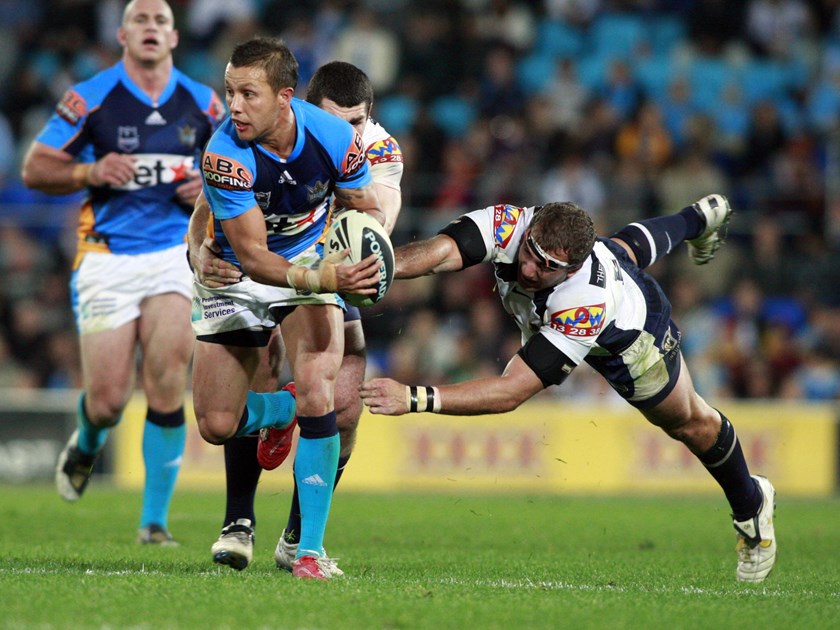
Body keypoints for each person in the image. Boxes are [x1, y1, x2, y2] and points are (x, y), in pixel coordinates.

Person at [360, 194, 778, 583]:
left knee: (690, 424)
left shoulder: (583, 299)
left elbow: (511, 391)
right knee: (623, 248)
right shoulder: (513, 225)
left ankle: (751, 503)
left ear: (573, 268)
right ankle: (697, 218)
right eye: (531, 253)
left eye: (545, 267)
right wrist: (377, 266)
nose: (528, 269)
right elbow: (441, 252)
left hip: (630, 339)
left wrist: (415, 398)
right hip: (599, 272)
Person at [20, 0, 225, 545]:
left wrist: (208, 185)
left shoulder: (205, 103)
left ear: (175, 37)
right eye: (141, 20)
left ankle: (153, 522)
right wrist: (89, 169)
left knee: (165, 381)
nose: (151, 28)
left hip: (173, 254)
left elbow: (242, 167)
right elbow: (35, 166)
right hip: (107, 256)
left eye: (161, 21)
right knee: (109, 400)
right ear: (122, 33)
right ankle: (87, 441)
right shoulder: (89, 97)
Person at [192, 61, 403, 574]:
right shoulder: (243, 141)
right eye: (339, 120)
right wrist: (198, 250)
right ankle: (239, 521)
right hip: (260, 261)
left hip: (328, 259)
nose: (352, 132)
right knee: (235, 404)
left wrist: (346, 259)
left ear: (368, 116)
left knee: (337, 401)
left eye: (359, 122)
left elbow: (379, 217)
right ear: (299, 105)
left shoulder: (376, 148)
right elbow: (208, 208)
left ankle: (301, 542)